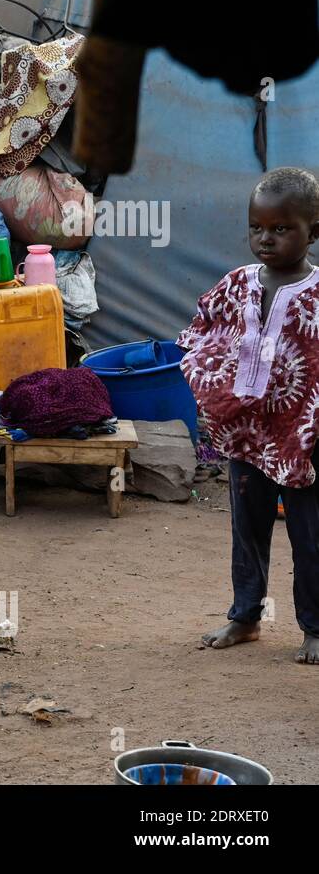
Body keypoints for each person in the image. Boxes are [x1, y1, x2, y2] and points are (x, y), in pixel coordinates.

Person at [180, 167, 319, 664]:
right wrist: (214, 391)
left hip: (305, 440)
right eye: (257, 227)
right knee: (247, 529)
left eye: (282, 229)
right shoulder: (236, 286)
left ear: (313, 230)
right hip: (245, 437)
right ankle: (245, 616)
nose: (266, 238)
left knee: (311, 538)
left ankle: (314, 627)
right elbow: (199, 336)